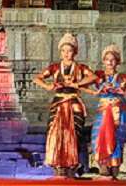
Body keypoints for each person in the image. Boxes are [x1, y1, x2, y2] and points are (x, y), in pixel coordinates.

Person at [34, 33, 97, 178]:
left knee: (74, 135)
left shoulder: (80, 67)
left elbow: (94, 77)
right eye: (63, 50)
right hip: (58, 103)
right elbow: (37, 78)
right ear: (60, 52)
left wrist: (77, 84)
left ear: (74, 52)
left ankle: (72, 166)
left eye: (69, 50)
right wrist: (47, 85)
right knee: (55, 134)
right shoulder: (55, 67)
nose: (66, 54)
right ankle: (57, 165)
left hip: (74, 103)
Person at [84, 44, 126, 179]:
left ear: (117, 62)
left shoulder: (123, 77)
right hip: (103, 110)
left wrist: (125, 91)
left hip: (119, 111)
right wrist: (94, 91)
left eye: (113, 59)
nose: (110, 62)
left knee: (116, 139)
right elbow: (80, 83)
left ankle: (115, 169)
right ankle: (103, 167)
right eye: (107, 59)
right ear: (103, 61)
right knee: (98, 137)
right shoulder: (98, 75)